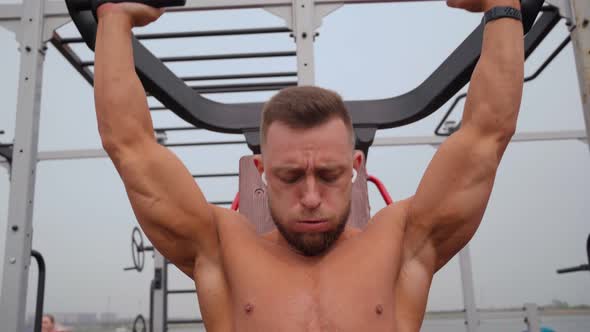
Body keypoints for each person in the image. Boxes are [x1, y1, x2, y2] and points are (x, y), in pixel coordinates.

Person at [93, 0, 525, 330]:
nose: (312, 197)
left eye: (330, 174)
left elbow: (486, 136)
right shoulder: (223, 251)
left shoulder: (400, 246)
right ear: (262, 172)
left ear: (355, 165)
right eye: (291, 176)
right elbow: (131, 147)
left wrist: (503, 8)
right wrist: (114, 18)